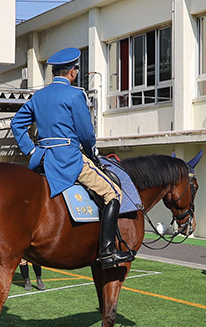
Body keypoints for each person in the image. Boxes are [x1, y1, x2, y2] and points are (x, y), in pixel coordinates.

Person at [11, 47, 131, 269]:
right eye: (76, 69)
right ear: (72, 72)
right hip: (69, 159)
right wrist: (92, 151)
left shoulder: (39, 96)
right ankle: (107, 251)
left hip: (42, 158)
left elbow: (16, 123)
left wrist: (30, 150)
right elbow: (85, 133)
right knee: (113, 192)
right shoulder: (76, 94)